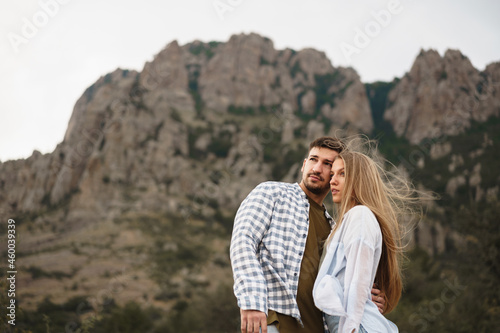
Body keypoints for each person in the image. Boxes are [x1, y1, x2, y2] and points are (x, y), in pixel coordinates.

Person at [230, 137, 386, 333]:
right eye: (313, 159)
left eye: (327, 164)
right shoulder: (271, 193)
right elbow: (243, 241)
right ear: (304, 165)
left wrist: (366, 299)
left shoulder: (335, 229)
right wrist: (251, 301)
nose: (317, 168)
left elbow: (344, 282)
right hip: (273, 320)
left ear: (335, 173)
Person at [313, 150, 412, 332]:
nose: (332, 180)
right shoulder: (347, 221)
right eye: (333, 174)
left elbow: (357, 279)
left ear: (359, 178)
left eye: (343, 174)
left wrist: (350, 328)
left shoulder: (360, 215)